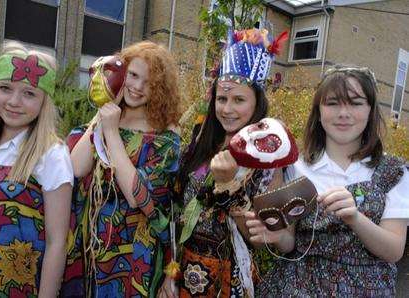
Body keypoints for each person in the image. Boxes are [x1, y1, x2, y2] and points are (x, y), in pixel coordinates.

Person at [163, 28, 293, 298]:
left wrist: (228, 185)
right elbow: (178, 212)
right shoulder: (200, 144)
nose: (227, 109)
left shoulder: (269, 159)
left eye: (239, 100)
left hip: (229, 278)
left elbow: (258, 237)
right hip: (182, 270)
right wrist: (170, 273)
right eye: (222, 99)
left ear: (257, 103)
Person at [257, 65, 409, 296]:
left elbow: (394, 250)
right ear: (318, 111)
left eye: (356, 103)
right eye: (332, 103)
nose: (343, 113)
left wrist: (356, 219)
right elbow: (290, 243)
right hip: (297, 288)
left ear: (371, 110)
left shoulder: (393, 172)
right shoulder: (296, 166)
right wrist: (278, 236)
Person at [64, 41, 181, 297]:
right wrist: (104, 110)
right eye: (133, 75)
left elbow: (137, 195)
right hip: (90, 248)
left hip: (132, 253)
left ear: (160, 89)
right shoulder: (106, 118)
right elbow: (76, 168)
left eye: (149, 82)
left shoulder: (164, 138)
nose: (138, 87)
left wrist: (112, 132)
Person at [0, 41, 73, 297]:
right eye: (5, 88)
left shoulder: (51, 154)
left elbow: (57, 243)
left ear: (44, 101)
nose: (14, 101)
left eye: (29, 93)